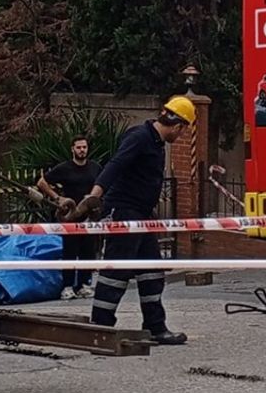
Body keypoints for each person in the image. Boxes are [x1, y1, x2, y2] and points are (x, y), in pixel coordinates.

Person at [73, 96, 194, 345]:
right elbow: (115, 165)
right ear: (179, 125)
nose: (181, 137)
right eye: (183, 132)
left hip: (142, 214)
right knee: (116, 271)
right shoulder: (139, 137)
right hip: (125, 212)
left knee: (151, 271)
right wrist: (95, 195)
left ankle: (155, 327)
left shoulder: (156, 142)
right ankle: (101, 327)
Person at [36, 135, 103, 300]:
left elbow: (103, 184)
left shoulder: (95, 167)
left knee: (88, 251)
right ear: (72, 149)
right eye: (79, 147)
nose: (82, 150)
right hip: (71, 217)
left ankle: (84, 285)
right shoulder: (65, 168)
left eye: (84, 147)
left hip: (89, 217)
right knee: (70, 252)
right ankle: (67, 287)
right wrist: (57, 198)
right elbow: (42, 183)